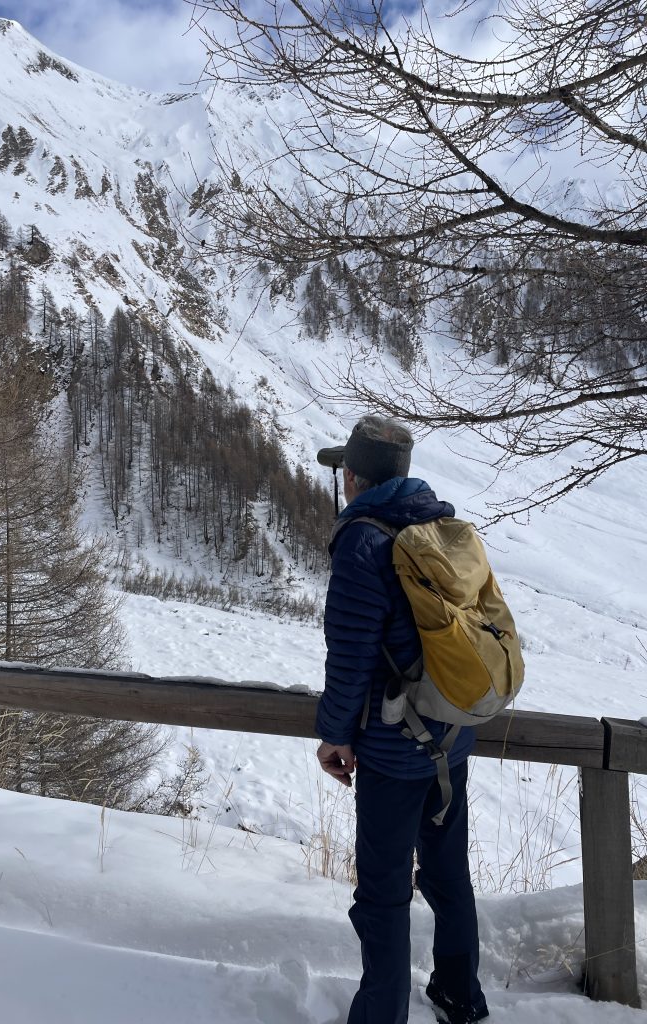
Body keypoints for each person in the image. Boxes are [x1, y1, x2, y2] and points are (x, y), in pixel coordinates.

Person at [315, 415, 488, 1024]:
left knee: (384, 895)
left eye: (344, 473)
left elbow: (351, 656)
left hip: (392, 752)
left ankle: (381, 1014)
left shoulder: (363, 542)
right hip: (450, 735)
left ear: (354, 479)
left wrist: (335, 734)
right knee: (447, 875)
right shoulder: (441, 523)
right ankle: (460, 996)